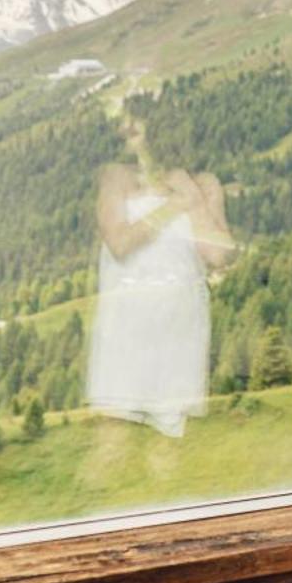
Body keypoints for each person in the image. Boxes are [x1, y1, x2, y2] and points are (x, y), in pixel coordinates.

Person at [85, 114, 235, 435]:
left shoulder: (202, 183)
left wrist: (192, 201)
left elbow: (218, 255)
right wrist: (171, 206)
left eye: (136, 127)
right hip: (128, 320)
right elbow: (120, 243)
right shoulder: (117, 178)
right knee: (114, 436)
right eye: (125, 130)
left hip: (181, 323)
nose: (129, 135)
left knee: (169, 441)